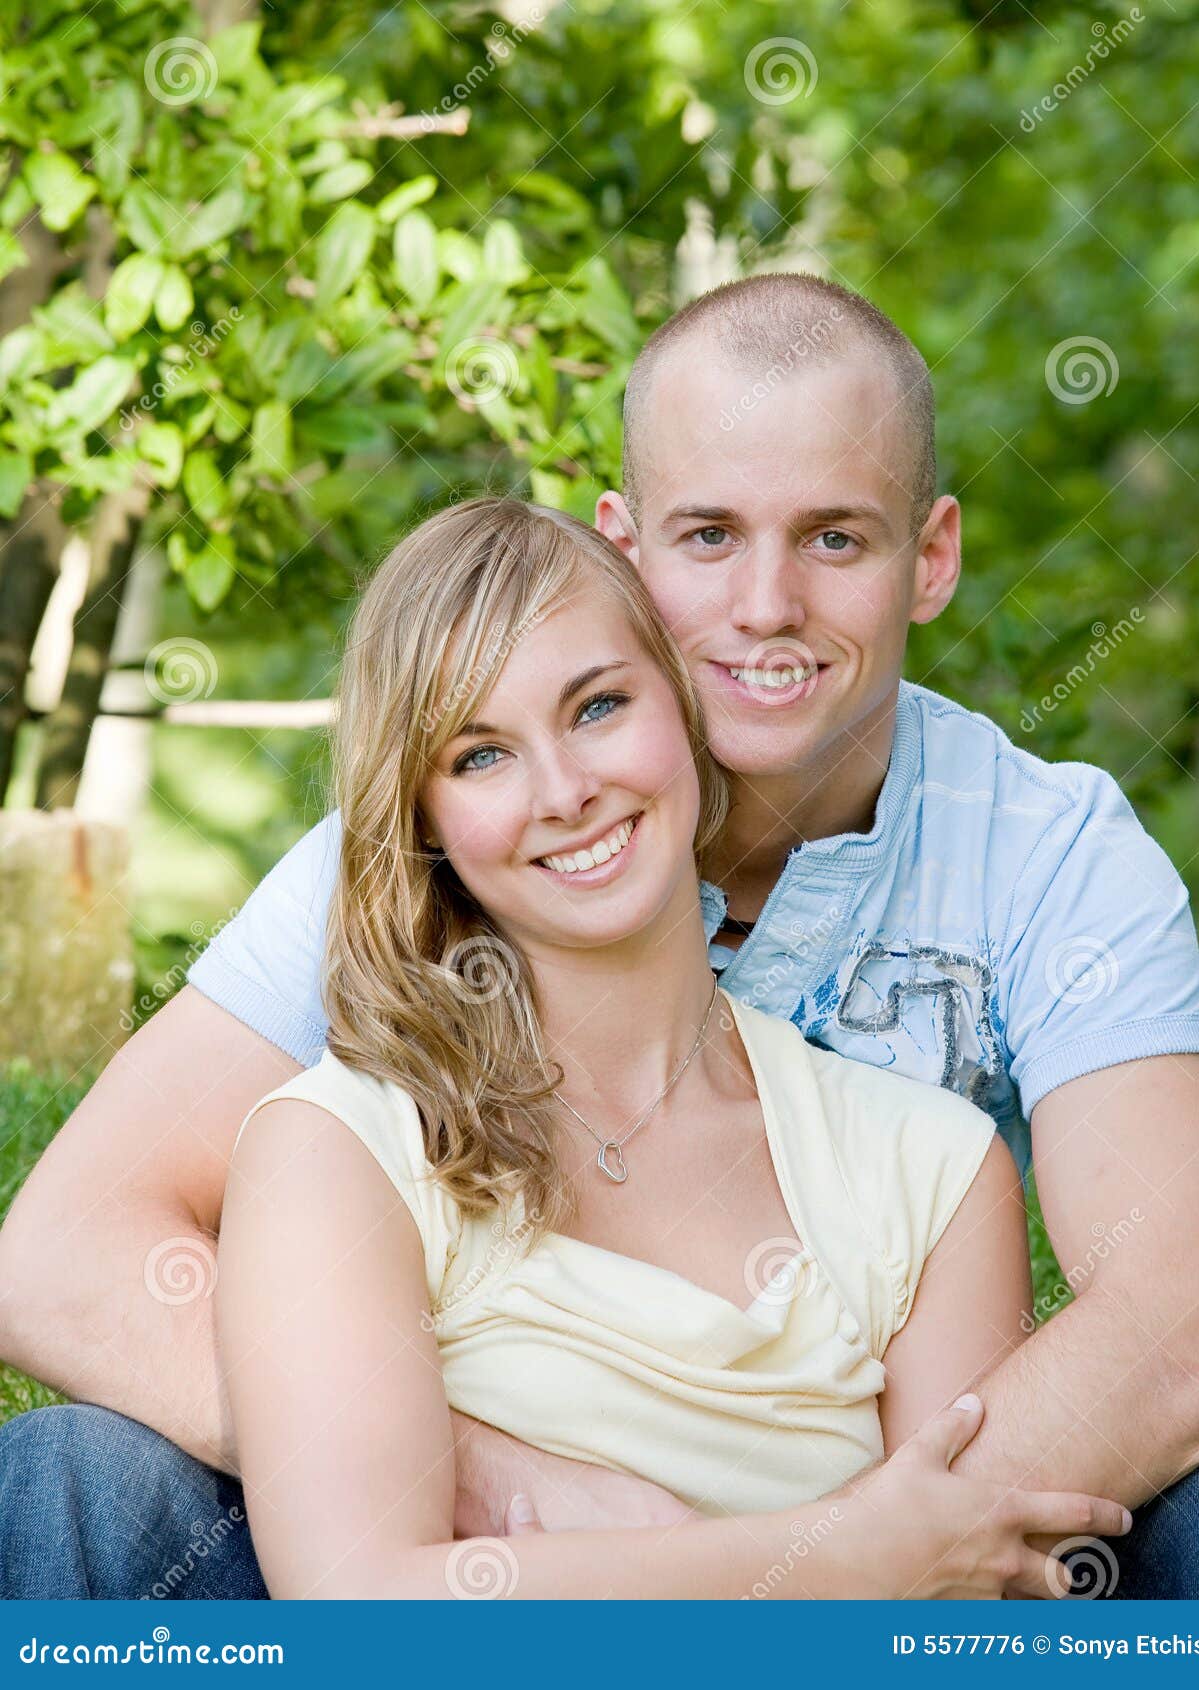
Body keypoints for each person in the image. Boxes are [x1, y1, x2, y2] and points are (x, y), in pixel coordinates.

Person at [0, 275, 1199, 1598]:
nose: (765, 603)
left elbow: (1194, 1325)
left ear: (927, 556)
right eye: (706, 535)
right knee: (82, 1479)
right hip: (468, 1579)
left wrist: (862, 1555)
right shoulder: (447, 847)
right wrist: (485, 1475)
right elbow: (62, 1253)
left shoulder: (1043, 855)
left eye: (833, 538)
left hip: (889, 1547)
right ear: (624, 548)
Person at [212, 495, 1133, 1598]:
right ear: (425, 822)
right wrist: (836, 1559)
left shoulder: (931, 1171)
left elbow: (959, 1610)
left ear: (685, 711)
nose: (566, 791)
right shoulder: (338, 1150)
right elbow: (362, 1612)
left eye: (598, 707)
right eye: (482, 755)